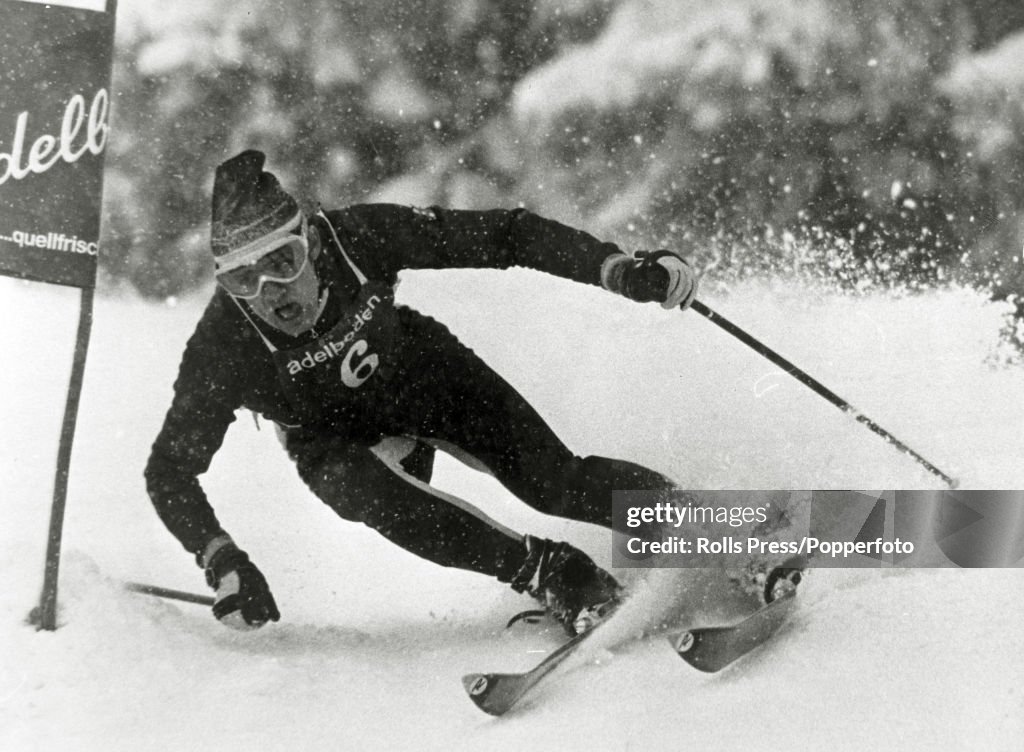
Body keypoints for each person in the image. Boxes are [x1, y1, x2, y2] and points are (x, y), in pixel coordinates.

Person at [145, 150, 697, 635]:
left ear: (311, 242)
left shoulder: (357, 237)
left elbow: (508, 234)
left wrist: (615, 268)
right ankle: (554, 573)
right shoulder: (223, 345)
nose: (271, 294)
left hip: (421, 376)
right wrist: (222, 560)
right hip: (336, 439)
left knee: (551, 482)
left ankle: (709, 530)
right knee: (360, 489)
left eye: (283, 263)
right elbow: (169, 470)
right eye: (243, 281)